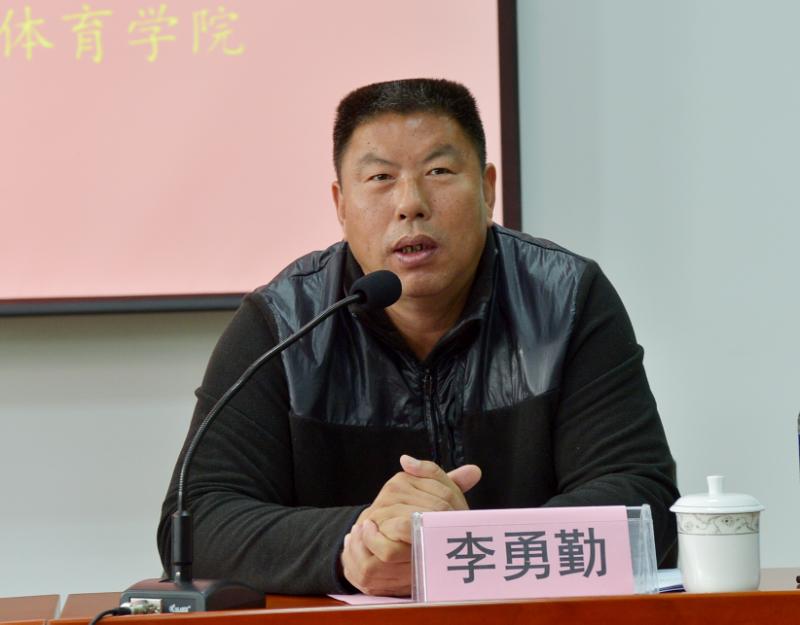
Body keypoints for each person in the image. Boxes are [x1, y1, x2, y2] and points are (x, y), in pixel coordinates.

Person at [158, 78, 679, 597]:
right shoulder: (285, 322)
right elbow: (197, 520)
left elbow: (643, 500)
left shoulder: (565, 300)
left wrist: (467, 548)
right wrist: (357, 543)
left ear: (488, 189)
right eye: (380, 177)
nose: (411, 203)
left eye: (439, 171)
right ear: (341, 205)